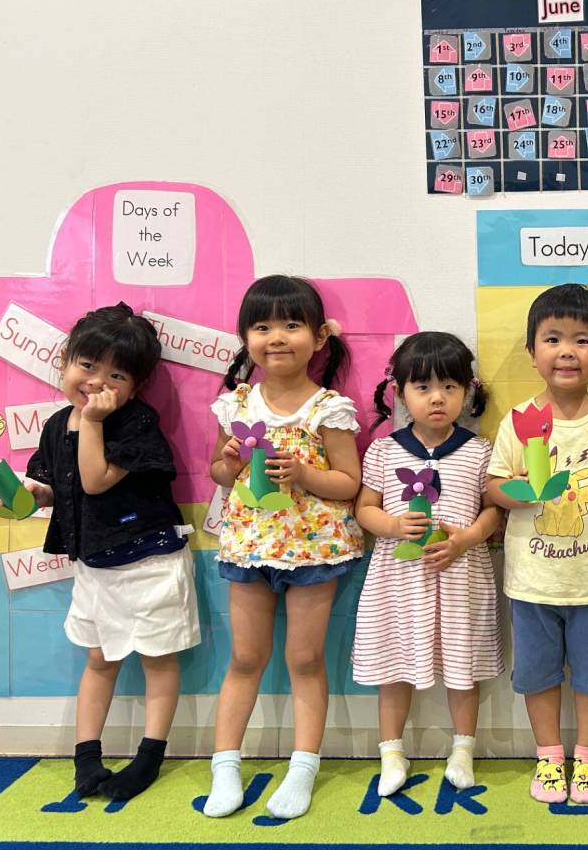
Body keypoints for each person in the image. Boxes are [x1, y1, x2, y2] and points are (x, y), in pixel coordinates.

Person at [202, 275, 361, 820]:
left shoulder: (329, 408)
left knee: (305, 658)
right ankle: (225, 766)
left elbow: (349, 482)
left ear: (319, 338)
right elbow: (217, 472)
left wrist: (303, 474)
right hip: (248, 547)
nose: (276, 337)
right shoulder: (235, 404)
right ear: (245, 337)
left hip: (314, 553)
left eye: (292, 325)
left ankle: (303, 766)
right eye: (262, 326)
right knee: (245, 658)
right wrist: (227, 460)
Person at [25, 303, 199, 801]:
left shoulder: (135, 422)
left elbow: (96, 480)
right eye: (87, 365)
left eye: (117, 375)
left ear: (136, 387)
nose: (98, 382)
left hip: (149, 560)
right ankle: (86, 758)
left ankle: (148, 759)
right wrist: (32, 494)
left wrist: (94, 420)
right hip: (94, 563)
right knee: (99, 658)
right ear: (64, 362)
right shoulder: (56, 425)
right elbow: (61, 486)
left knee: (157, 658)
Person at [486, 284, 588, 804]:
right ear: (532, 352)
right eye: (552, 339)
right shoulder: (516, 421)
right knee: (537, 674)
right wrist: (519, 490)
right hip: (532, 582)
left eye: (582, 340)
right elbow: (493, 488)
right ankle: (550, 757)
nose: (567, 351)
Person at [352, 331, 504, 796]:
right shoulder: (383, 450)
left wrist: (468, 538)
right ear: (400, 393)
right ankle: (391, 753)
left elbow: (493, 511)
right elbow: (364, 508)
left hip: (461, 578)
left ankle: (463, 751)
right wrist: (393, 525)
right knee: (393, 665)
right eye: (423, 387)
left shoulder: (479, 450)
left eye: (450, 387)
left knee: (463, 666)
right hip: (398, 582)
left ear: (467, 392)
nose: (437, 398)